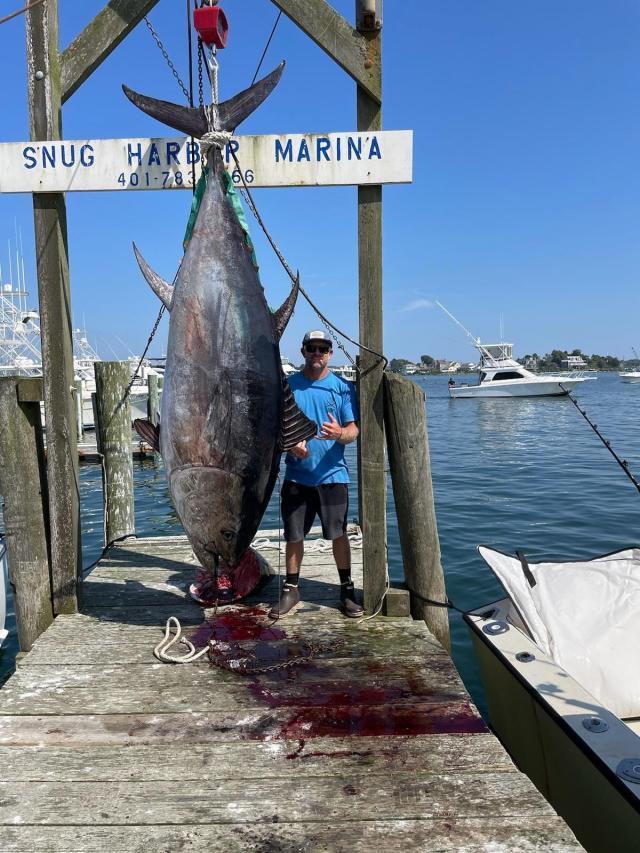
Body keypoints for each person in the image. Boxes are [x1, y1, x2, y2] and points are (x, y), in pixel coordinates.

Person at [269, 330, 363, 619]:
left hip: (333, 475)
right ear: (303, 351)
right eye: (312, 348)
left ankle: (346, 589)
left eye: (323, 348)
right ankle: (291, 589)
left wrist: (340, 434)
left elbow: (353, 430)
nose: (317, 353)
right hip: (297, 476)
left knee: (338, 535)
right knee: (294, 536)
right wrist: (289, 443)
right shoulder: (287, 386)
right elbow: (274, 427)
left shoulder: (344, 388)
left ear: (331, 353)